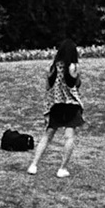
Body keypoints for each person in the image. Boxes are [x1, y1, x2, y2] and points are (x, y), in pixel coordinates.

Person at [27, 42, 82, 178]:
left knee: (47, 136)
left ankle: (33, 165)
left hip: (55, 105)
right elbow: (77, 84)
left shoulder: (52, 68)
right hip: (71, 106)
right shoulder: (73, 67)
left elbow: (47, 86)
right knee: (69, 137)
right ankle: (62, 168)